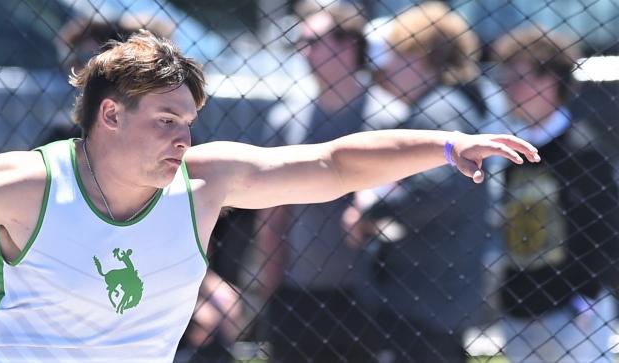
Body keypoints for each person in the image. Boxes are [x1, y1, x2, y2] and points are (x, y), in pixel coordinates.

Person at [0, 31, 539, 363]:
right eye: (167, 119)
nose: (183, 137)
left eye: (190, 120)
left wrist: (445, 142)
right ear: (109, 117)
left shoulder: (207, 182)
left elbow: (329, 161)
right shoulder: (27, 183)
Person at [345, 3, 491, 362]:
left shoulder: (440, 110)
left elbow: (433, 189)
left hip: (428, 297)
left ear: (420, 56)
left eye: (397, 54)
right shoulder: (443, 105)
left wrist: (370, 211)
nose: (387, 66)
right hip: (432, 292)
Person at [256, 3, 380, 362]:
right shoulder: (287, 119)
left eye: (313, 42)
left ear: (348, 46)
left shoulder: (386, 118)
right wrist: (270, 284)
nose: (303, 52)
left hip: (370, 297)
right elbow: (272, 215)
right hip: (298, 294)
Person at [491, 25, 619, 363]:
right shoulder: (511, 150)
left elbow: (606, 228)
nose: (509, 89)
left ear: (550, 81)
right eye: (506, 78)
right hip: (520, 306)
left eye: (519, 77)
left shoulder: (583, 149)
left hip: (573, 310)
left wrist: (588, 295)